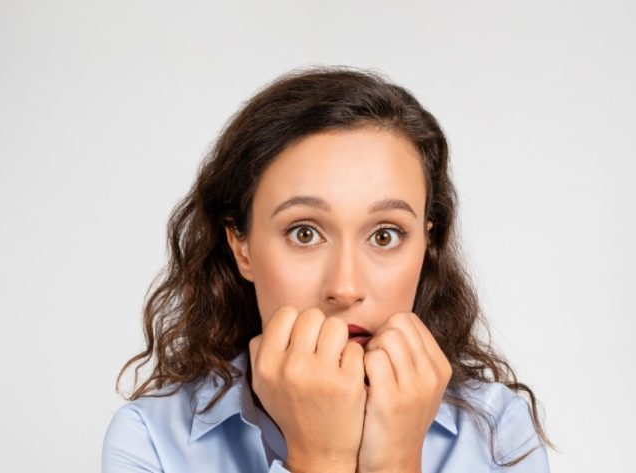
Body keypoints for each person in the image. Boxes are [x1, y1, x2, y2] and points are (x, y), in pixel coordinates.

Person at [101, 66, 552, 472]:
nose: (345, 288)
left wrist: (395, 462)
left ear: (426, 245)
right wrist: (320, 459)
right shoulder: (151, 441)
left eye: (385, 235)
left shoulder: (498, 434)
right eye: (304, 233)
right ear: (242, 247)